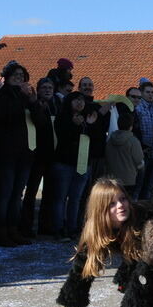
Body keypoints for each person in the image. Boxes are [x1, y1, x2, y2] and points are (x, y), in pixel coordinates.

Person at [42, 179, 150, 307]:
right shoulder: (96, 230)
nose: (120, 205)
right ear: (100, 209)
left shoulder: (143, 219)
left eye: (123, 199)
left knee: (138, 276)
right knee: (125, 276)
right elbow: (81, 270)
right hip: (131, 253)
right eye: (112, 204)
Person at [0, 61, 44, 247]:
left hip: (25, 153)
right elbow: (6, 116)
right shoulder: (3, 95)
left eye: (22, 76)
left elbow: (40, 122)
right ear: (7, 77)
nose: (19, 78)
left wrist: (33, 102)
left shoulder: (27, 97)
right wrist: (22, 98)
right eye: (15, 75)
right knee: (4, 193)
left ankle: (13, 229)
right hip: (5, 153)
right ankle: (0, 231)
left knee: (17, 194)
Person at [51, 91, 101, 241]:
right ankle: (59, 229)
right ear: (69, 102)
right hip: (64, 163)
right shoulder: (62, 117)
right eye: (76, 100)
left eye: (82, 100)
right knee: (60, 198)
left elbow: (96, 139)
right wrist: (74, 125)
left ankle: (72, 228)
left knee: (76, 198)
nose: (80, 103)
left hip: (83, 163)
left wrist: (90, 125)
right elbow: (63, 137)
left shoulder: (89, 117)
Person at [20, 77, 59, 238]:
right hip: (36, 156)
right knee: (31, 193)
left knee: (49, 194)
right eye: (44, 87)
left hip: (52, 156)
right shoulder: (32, 104)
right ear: (38, 90)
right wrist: (36, 105)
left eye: (50, 87)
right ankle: (26, 227)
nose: (48, 90)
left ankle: (45, 226)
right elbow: (37, 123)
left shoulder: (56, 105)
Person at [105, 112, 144, 200]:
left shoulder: (110, 140)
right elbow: (139, 161)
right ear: (131, 126)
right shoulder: (133, 141)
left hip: (112, 178)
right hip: (129, 180)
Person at [134, 80, 153, 200]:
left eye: (152, 92)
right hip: (142, 152)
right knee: (139, 184)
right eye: (147, 92)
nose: (150, 94)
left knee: (150, 186)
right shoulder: (138, 108)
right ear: (141, 93)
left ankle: (146, 208)